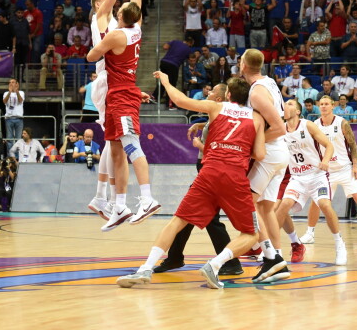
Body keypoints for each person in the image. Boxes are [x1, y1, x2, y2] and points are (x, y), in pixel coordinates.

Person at [116, 76, 265, 289]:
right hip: (234, 176)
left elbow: (180, 100)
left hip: (209, 171)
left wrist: (166, 83)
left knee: (177, 222)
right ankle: (215, 265)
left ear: (228, 95)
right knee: (252, 234)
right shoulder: (257, 118)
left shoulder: (216, 107)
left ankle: (145, 268)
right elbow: (259, 154)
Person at [87, 0, 161, 231]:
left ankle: (110, 201)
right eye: (107, 1)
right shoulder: (102, 19)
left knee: (117, 144)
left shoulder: (120, 29)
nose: (113, 1)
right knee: (116, 143)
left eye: (115, 2)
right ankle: (104, 198)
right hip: (109, 84)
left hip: (115, 84)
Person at [152, 82, 244, 276]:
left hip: (211, 169)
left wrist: (199, 145)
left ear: (219, 98)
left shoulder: (219, 113)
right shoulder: (217, 115)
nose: (207, 92)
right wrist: (201, 124)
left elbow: (220, 150)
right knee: (191, 216)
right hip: (207, 170)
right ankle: (176, 257)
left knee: (193, 216)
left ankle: (231, 262)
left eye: (211, 91)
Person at [299, 96, 357, 246]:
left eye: (327, 104)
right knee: (316, 201)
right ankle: (309, 234)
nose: (324, 107)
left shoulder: (342, 123)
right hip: (326, 171)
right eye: (321, 104)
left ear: (333, 106)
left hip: (345, 168)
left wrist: (355, 165)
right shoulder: (314, 125)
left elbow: (353, 145)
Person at [240, 49, 290, 283]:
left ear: (243, 65)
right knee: (265, 208)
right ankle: (279, 259)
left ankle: (270, 257)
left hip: (270, 154)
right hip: (279, 154)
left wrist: (252, 146)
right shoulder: (268, 81)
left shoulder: (257, 92)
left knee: (246, 204)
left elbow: (280, 128)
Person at [277, 99, 347, 266]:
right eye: (285, 104)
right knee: (284, 205)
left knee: (324, 204)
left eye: (291, 104)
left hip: (317, 175)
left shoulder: (307, 125)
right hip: (297, 178)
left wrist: (326, 160)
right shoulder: (280, 130)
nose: (287, 106)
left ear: (298, 111)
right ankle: (278, 248)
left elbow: (329, 145)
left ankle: (339, 244)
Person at [3, 78, 25, 151]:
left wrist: (16, 91)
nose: (11, 84)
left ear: (17, 84)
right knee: (9, 138)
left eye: (13, 82)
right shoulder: (6, 93)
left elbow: (20, 100)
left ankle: (18, 156)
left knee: (19, 138)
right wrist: (10, 92)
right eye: (10, 82)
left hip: (19, 118)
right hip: (9, 118)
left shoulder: (21, 92)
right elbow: (5, 101)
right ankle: (10, 156)